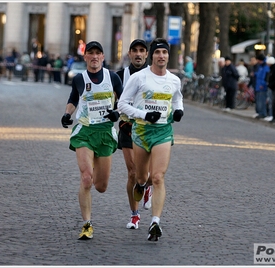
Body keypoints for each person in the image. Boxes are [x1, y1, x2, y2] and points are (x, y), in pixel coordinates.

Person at [118, 37, 184, 241]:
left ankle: (155, 222)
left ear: (168, 56)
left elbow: (177, 97)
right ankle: (140, 186)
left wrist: (179, 110)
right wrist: (144, 115)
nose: (161, 56)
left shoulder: (174, 79)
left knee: (157, 177)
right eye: (157, 52)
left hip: (163, 131)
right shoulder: (139, 78)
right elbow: (122, 105)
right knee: (141, 177)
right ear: (152, 56)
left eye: (164, 52)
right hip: (141, 132)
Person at [60, 41, 123, 240]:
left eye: (98, 53)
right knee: (86, 178)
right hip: (85, 131)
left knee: (101, 186)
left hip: (104, 132)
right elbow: (73, 99)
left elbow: (124, 101)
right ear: (85, 56)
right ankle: (87, 224)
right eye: (90, 53)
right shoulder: (79, 78)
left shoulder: (112, 78)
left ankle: (96, 168)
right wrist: (67, 114)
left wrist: (117, 113)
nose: (94, 57)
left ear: (103, 57)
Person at [116, 39, 152, 230]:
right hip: (127, 128)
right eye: (135, 51)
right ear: (129, 53)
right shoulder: (119, 76)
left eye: (142, 51)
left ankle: (146, 187)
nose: (138, 54)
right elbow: (111, 101)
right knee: (132, 173)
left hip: (149, 130)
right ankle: (135, 215)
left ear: (147, 54)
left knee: (150, 175)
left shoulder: (154, 75)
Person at [254, 53, 270, 119]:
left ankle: (263, 113)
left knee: (262, 100)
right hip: (258, 85)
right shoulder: (261, 66)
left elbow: (265, 77)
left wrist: (262, 84)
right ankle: (260, 112)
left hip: (261, 86)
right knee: (258, 100)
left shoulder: (265, 67)